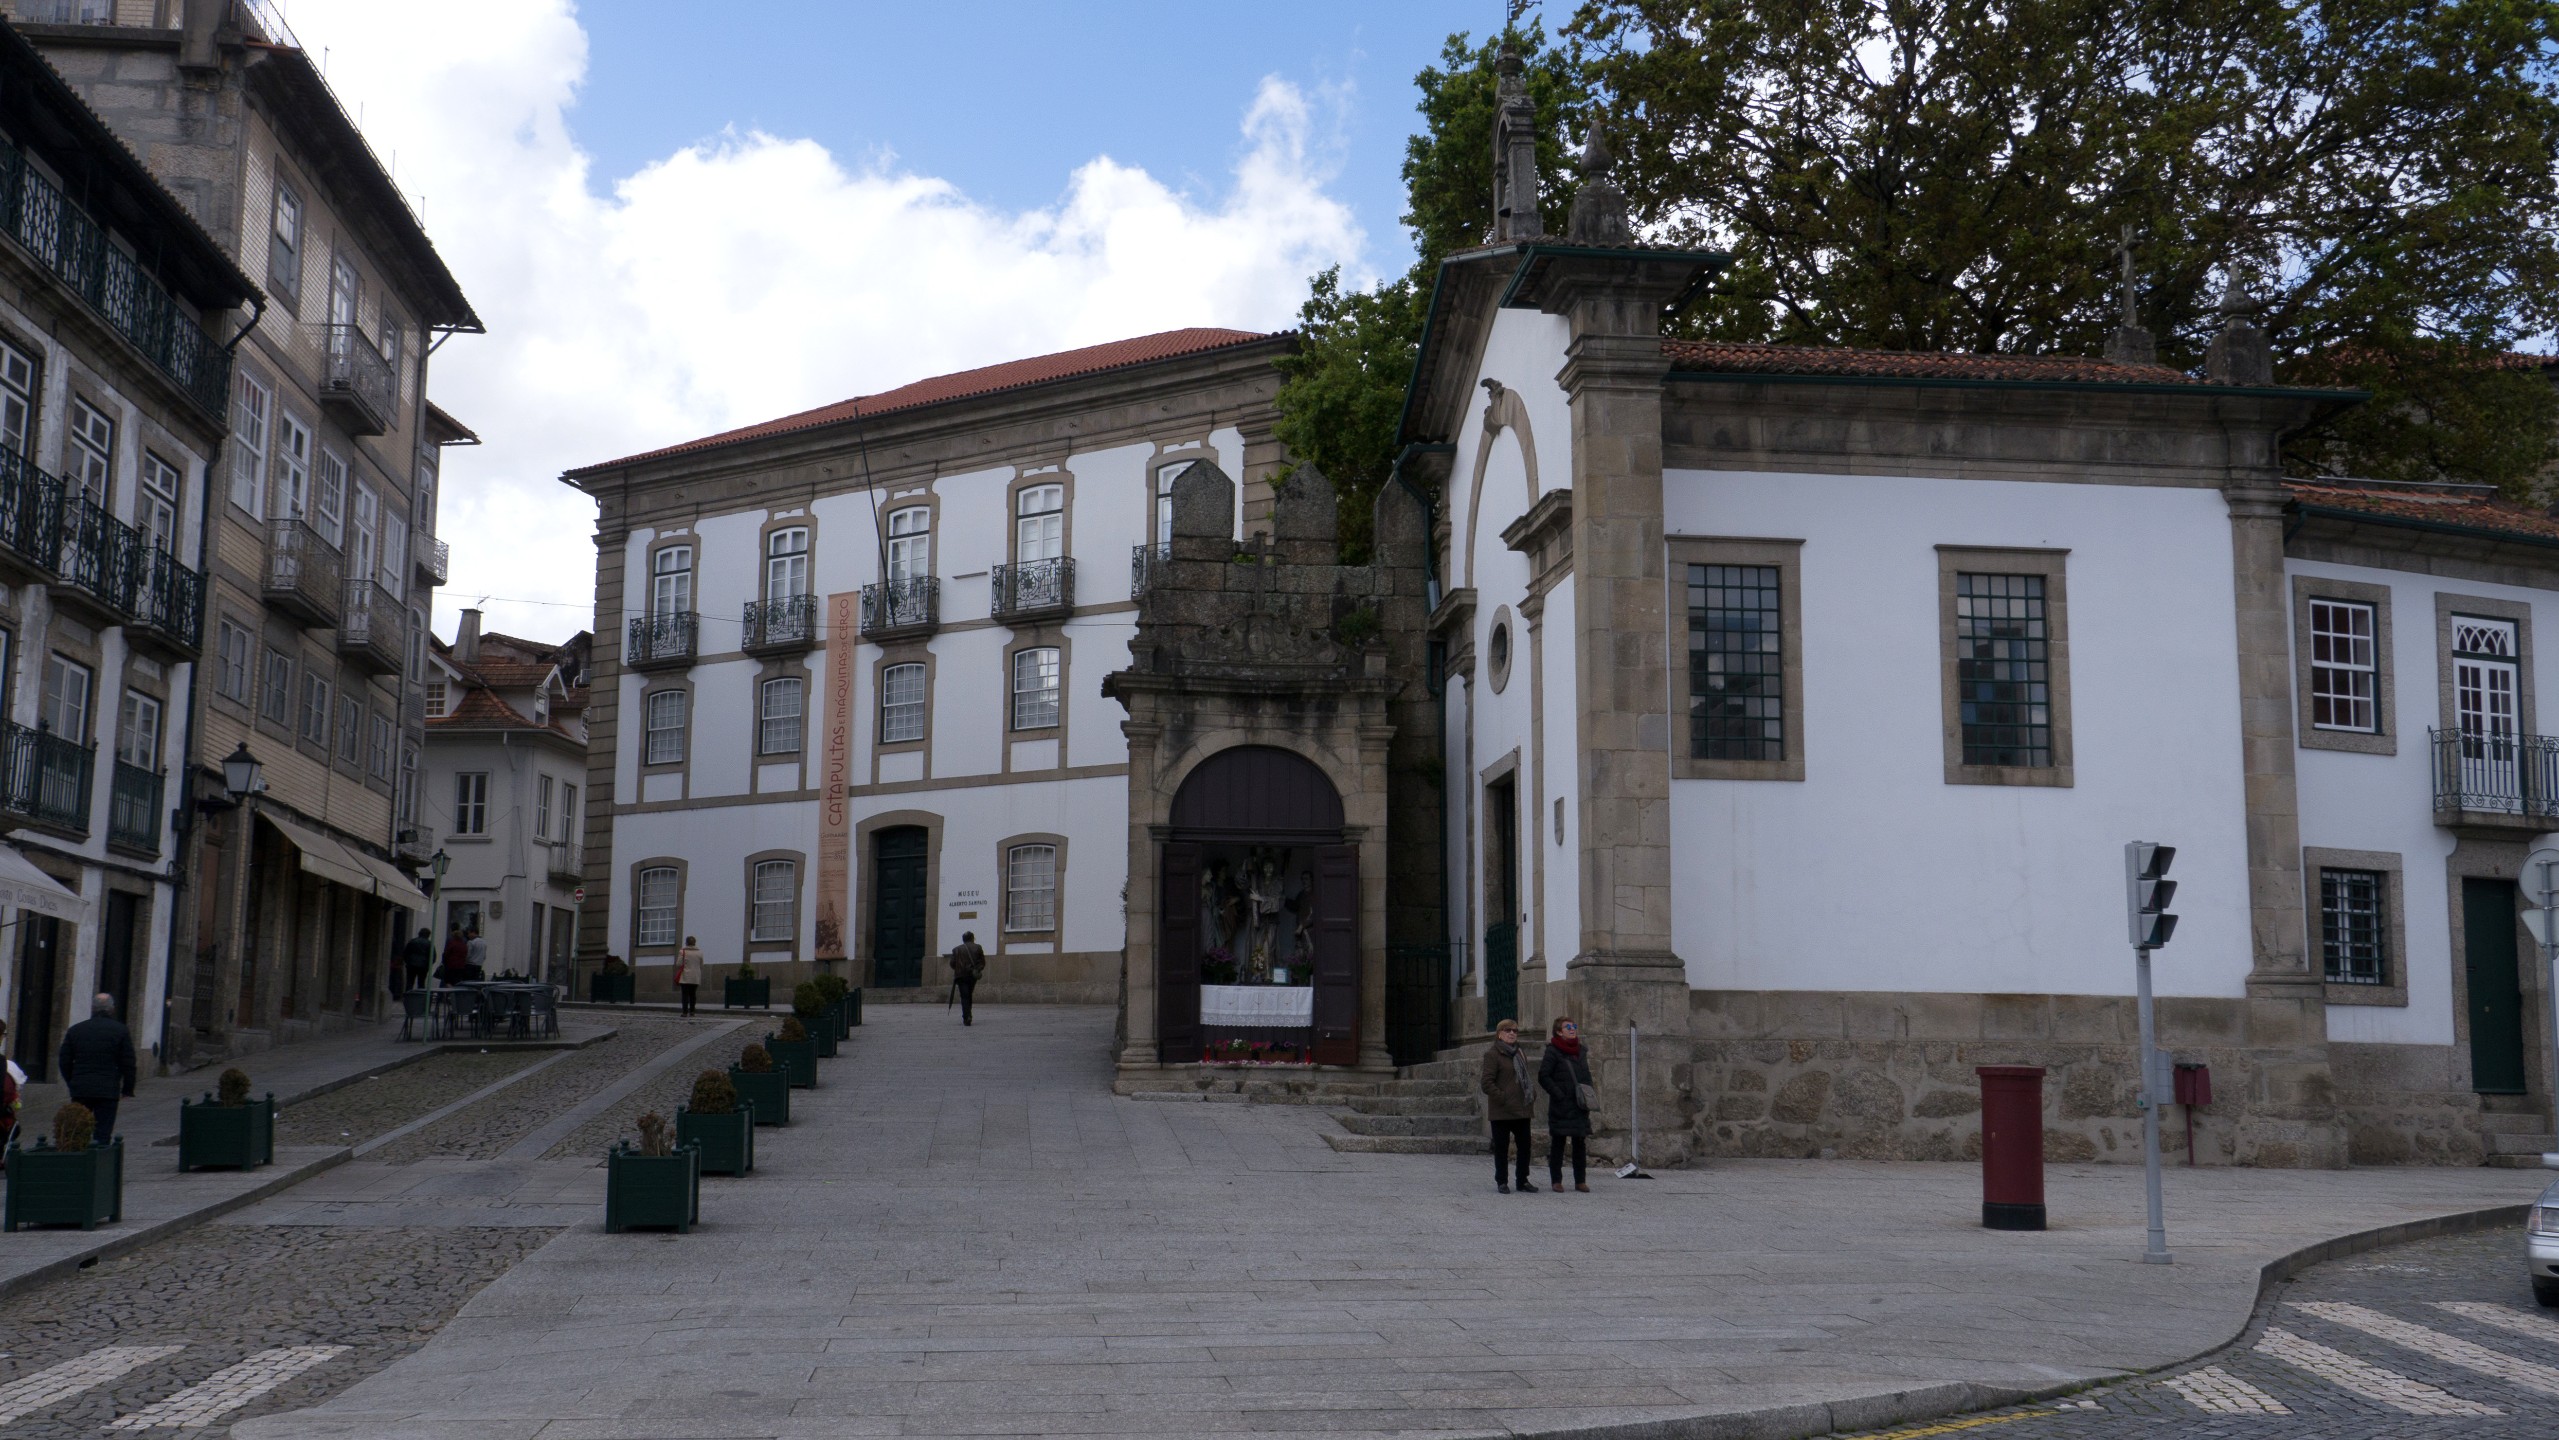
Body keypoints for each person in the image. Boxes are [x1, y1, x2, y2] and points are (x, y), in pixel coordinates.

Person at [57, 993, 137, 1144]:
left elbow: (64, 1060)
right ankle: (101, 1152)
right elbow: (128, 1063)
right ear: (111, 1009)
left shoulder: (76, 1030)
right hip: (107, 1089)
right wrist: (127, 1088)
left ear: (92, 1009)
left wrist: (72, 1081)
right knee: (103, 1133)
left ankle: (81, 1154)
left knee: (79, 1130)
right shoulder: (120, 1030)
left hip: (81, 1088)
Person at [1479, 1017, 1536, 1193]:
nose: (1512, 1033)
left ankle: (1522, 1180)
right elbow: (1486, 1083)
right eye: (1508, 1030)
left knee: (1525, 1147)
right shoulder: (1492, 1054)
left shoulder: (1520, 1052)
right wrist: (1503, 1097)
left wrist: (1531, 1092)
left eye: (1515, 1031)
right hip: (1502, 1110)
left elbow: (1525, 1077)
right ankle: (1502, 1181)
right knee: (1501, 1148)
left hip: (1522, 1108)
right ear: (1499, 1034)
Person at [1538, 1016, 1593, 1193]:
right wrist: (1559, 1094)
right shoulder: (1552, 1051)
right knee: (1558, 1142)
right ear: (1559, 1032)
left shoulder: (1581, 1051)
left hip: (1579, 1104)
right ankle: (1556, 1180)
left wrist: (1589, 1094)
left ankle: (1580, 1181)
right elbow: (1543, 1076)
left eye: (1573, 1026)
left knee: (1579, 1143)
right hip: (1561, 1104)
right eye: (1568, 1027)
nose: (1572, 1029)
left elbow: (1586, 1075)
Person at [948, 931, 986, 1025]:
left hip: (960, 976)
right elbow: (982, 962)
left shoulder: (956, 949)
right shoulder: (978, 947)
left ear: (963, 939)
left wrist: (958, 968)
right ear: (972, 938)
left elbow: (952, 963)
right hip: (972, 976)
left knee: (964, 996)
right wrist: (977, 969)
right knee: (969, 994)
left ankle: (967, 1016)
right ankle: (968, 1014)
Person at [673, 935, 703, 1017]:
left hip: (685, 976)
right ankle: (692, 1011)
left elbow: (678, 964)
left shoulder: (682, 952)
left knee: (685, 994)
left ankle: (685, 1012)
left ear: (686, 943)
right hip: (695, 976)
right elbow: (701, 965)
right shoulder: (700, 953)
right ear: (695, 943)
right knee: (693, 994)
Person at [400, 927, 435, 994]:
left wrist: (407, 962)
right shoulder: (429, 944)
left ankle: (408, 996)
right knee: (421, 983)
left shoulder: (412, 941)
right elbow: (433, 956)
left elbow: (406, 953)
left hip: (411, 964)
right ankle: (420, 997)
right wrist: (428, 964)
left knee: (409, 982)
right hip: (423, 966)